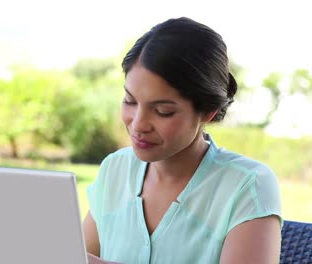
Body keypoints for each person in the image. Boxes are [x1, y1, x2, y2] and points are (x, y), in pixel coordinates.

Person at [83, 17, 282, 264]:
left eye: (163, 111)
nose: (138, 124)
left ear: (207, 111)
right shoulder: (116, 169)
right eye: (130, 101)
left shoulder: (247, 186)